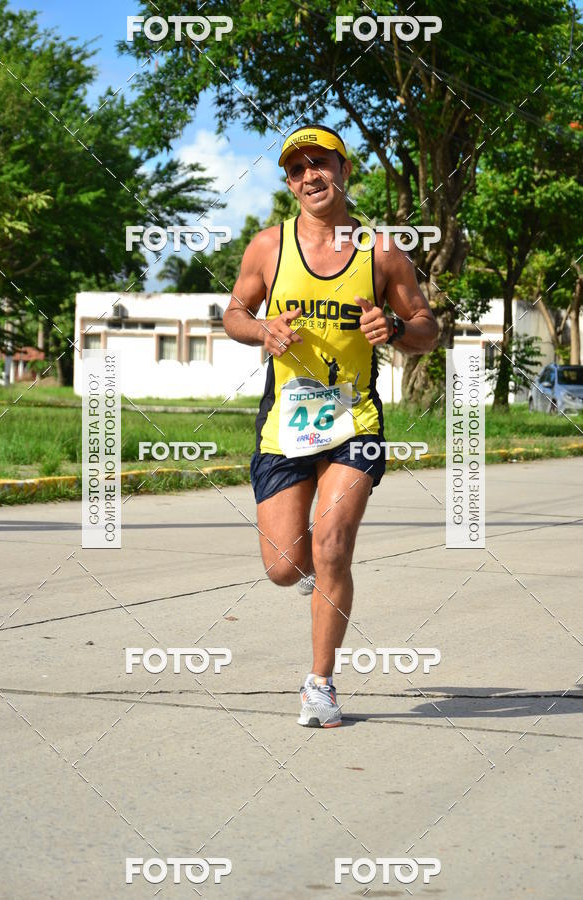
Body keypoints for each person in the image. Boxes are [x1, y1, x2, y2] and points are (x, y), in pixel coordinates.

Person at [223, 124, 438, 727]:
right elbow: (234, 313)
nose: (310, 176)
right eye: (297, 169)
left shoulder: (381, 252)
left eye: (321, 163)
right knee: (284, 567)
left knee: (333, 545)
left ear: (344, 171)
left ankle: (320, 685)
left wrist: (396, 328)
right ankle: (310, 570)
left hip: (354, 420)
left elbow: (427, 328)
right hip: (285, 424)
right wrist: (262, 329)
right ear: (290, 184)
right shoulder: (269, 247)